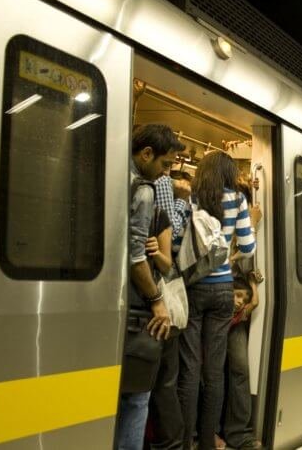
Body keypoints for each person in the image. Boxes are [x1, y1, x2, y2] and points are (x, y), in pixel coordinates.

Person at [178, 151, 256, 450]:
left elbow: (179, 242)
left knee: (190, 369)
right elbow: (248, 247)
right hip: (223, 289)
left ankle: (186, 441)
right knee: (214, 371)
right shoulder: (238, 199)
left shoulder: (192, 197)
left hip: (194, 288)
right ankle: (209, 443)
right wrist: (226, 257)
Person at [116, 124, 183, 450]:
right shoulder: (143, 191)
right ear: (146, 154)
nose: (165, 173)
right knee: (137, 396)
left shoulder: (113, 177)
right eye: (165, 164)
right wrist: (157, 300)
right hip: (135, 307)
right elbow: (135, 257)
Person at [218, 177, 264, 450]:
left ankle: (238, 432)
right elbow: (224, 259)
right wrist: (253, 228)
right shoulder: (219, 220)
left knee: (238, 369)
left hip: (235, 306)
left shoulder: (240, 223)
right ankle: (207, 432)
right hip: (217, 300)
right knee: (210, 372)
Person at [147, 171, 190, 450]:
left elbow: (167, 264)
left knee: (162, 383)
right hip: (149, 307)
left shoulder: (159, 212)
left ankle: (171, 443)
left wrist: (153, 251)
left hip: (158, 306)